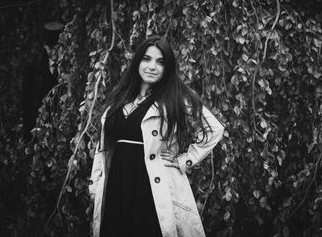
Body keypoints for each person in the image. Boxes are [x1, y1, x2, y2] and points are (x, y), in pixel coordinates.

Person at [89, 35, 224, 237]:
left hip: (150, 188)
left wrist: (185, 160)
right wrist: (95, 183)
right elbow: (103, 148)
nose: (152, 66)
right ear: (137, 62)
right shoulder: (119, 100)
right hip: (116, 185)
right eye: (146, 59)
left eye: (160, 62)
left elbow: (214, 129)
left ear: (167, 68)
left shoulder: (174, 98)